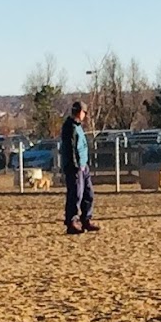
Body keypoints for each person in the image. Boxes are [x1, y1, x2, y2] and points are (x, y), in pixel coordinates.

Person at [61, 100, 97, 234]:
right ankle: (71, 222)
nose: (85, 115)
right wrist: (75, 165)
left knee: (88, 193)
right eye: (84, 112)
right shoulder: (69, 126)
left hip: (83, 165)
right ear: (80, 112)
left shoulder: (77, 126)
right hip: (75, 167)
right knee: (76, 195)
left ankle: (86, 220)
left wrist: (84, 163)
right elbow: (70, 148)